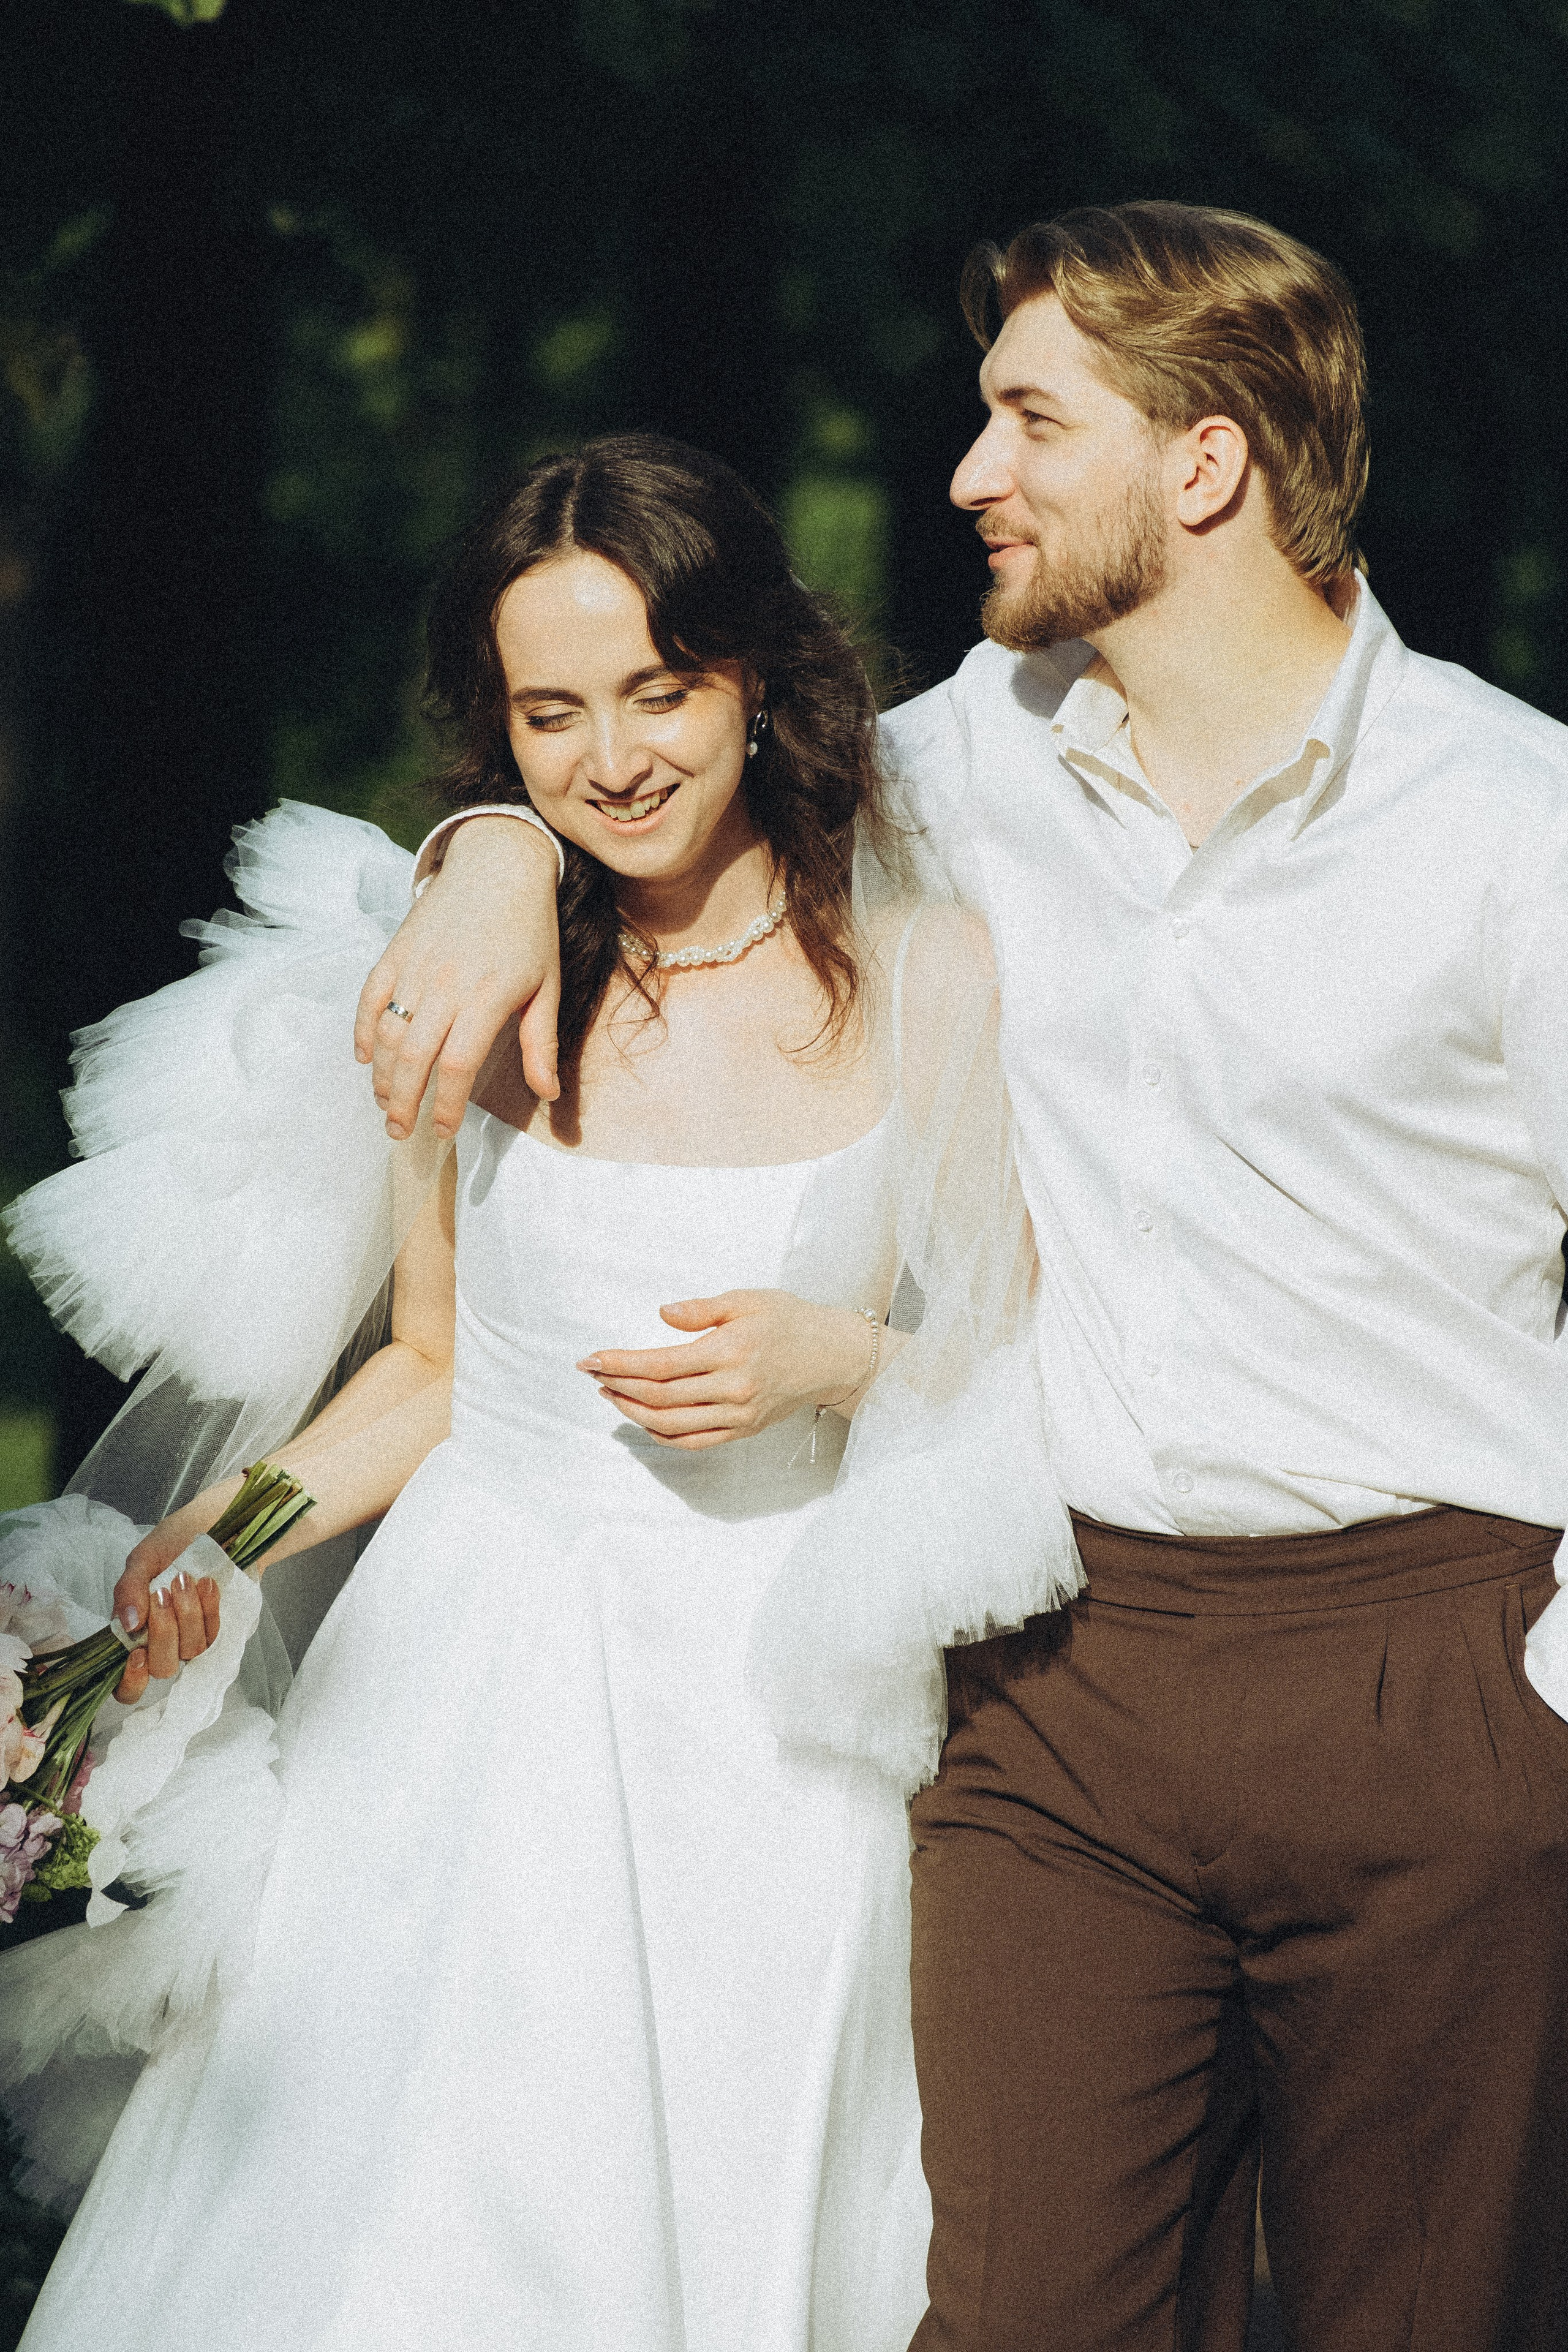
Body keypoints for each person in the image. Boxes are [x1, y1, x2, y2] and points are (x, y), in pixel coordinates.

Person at [363, 204, 1568, 2350]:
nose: (966, 476)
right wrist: (496, 854)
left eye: (1028, 420)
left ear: (1201, 465)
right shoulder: (952, 773)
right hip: (1058, 1683)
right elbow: (672, 763)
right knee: (1012, 2312)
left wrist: (1541, 1713)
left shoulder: (1514, 822)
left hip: (1435, 1673)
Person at [0, 434, 1079, 2351]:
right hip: (460, 1693)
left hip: (768, 1714)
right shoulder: (471, 991)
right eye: (553, 712)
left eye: (663, 690)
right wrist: (216, 1535)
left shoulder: (931, 973)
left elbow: (1021, 1365)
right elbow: (430, 1365)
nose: (616, 757)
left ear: (760, 675)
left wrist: (843, 1362)